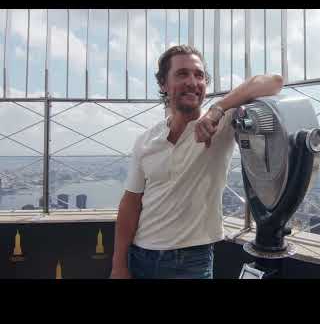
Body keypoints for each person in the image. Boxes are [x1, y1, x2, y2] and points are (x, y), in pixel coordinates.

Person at [110, 45, 283, 279]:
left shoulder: (220, 125)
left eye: (199, 75)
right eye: (182, 74)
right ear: (163, 84)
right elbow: (130, 204)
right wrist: (119, 265)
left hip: (190, 263)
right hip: (140, 256)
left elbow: (274, 81)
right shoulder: (146, 141)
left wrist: (218, 109)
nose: (192, 81)